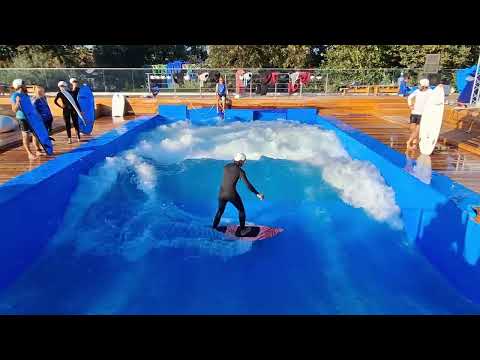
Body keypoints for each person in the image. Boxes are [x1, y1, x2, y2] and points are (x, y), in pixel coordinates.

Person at [212, 153, 264, 236]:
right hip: (231, 194)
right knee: (241, 210)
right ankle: (242, 230)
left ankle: (213, 228)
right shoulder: (240, 171)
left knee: (220, 211)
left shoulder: (226, 166)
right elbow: (248, 185)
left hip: (221, 193)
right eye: (243, 161)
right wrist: (257, 194)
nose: (244, 163)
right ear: (240, 161)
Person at [10, 79, 42, 160]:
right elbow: (14, 109)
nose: (25, 85)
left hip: (31, 117)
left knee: (35, 134)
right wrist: (17, 102)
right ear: (19, 85)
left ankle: (38, 150)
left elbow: (30, 106)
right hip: (22, 118)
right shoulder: (14, 96)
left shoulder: (25, 94)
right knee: (26, 136)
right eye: (24, 84)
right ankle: (29, 154)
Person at [406, 78, 433, 149]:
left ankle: (410, 142)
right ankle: (414, 143)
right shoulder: (417, 91)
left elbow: (438, 96)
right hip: (414, 113)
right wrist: (410, 105)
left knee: (417, 130)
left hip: (423, 114)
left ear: (424, 86)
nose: (418, 86)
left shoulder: (430, 92)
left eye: (420, 84)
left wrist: (440, 87)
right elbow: (409, 97)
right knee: (412, 129)